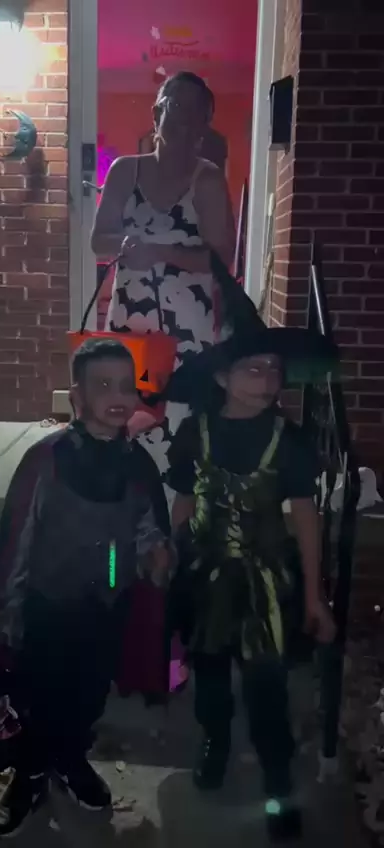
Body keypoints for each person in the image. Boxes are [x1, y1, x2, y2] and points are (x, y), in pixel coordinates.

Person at [0, 338, 171, 839]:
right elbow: (18, 541)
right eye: (102, 385)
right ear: (76, 396)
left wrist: (156, 554)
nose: (118, 396)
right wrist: (8, 618)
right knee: (37, 696)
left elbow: (147, 525)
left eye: (126, 385)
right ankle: (29, 775)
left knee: (87, 693)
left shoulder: (138, 464)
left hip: (106, 607)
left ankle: (70, 759)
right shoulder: (47, 461)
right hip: (47, 608)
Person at [166, 327, 337, 841]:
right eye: (253, 369)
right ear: (222, 377)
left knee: (266, 687)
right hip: (206, 577)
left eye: (274, 370)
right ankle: (215, 741)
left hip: (266, 584)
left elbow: (305, 519)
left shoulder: (290, 440)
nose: (267, 381)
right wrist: (172, 558)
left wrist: (313, 595)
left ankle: (278, 783)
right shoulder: (195, 432)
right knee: (211, 674)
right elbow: (184, 501)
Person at [91, 71, 236, 484]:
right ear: (156, 114)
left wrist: (159, 251)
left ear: (206, 124)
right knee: (125, 415)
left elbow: (222, 259)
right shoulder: (124, 171)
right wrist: (128, 243)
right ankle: (128, 507)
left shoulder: (207, 179)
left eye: (197, 111)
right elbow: (99, 241)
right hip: (131, 325)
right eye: (177, 106)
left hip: (188, 333)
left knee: (183, 427)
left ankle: (179, 512)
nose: (186, 118)